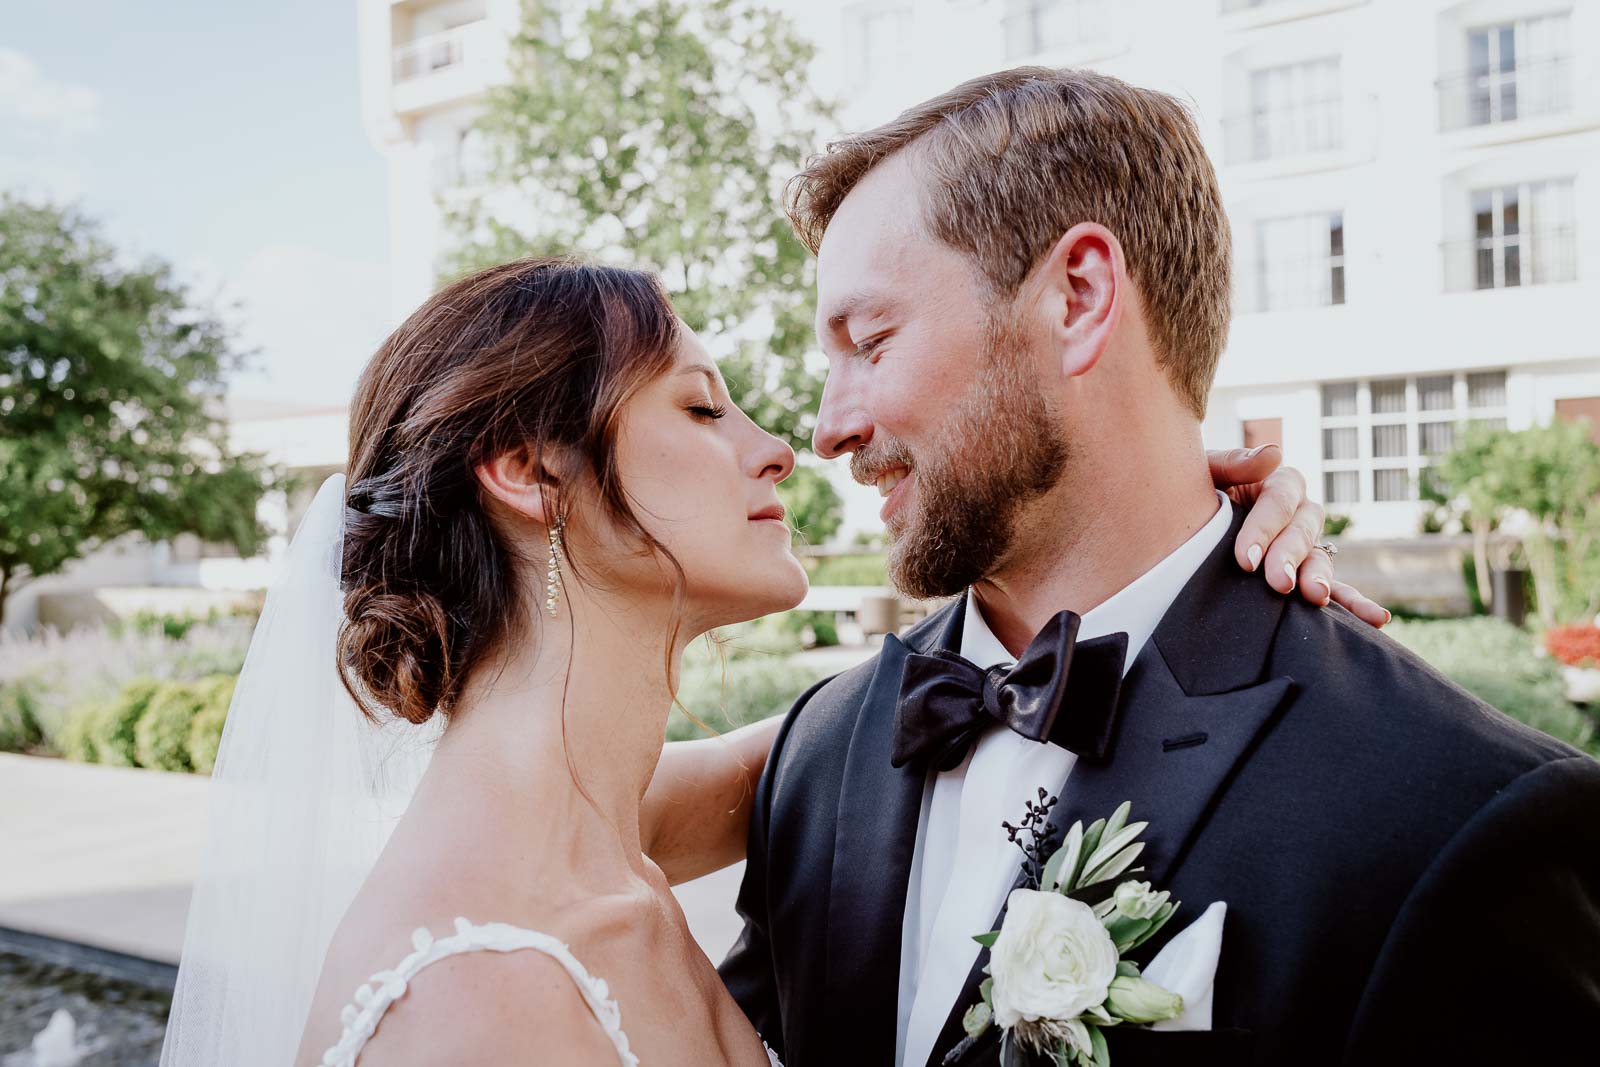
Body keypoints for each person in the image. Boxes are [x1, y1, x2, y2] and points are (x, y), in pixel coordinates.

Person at [159, 255, 1356, 1067]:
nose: (780, 446)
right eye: (700, 407)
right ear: (528, 471)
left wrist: (1168, 521)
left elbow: (896, 724)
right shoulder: (473, 996)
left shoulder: (594, 840)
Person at [718, 66, 1600, 1067]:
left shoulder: (1453, 816)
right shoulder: (820, 751)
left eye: (869, 340)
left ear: (1079, 298)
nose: (829, 427)